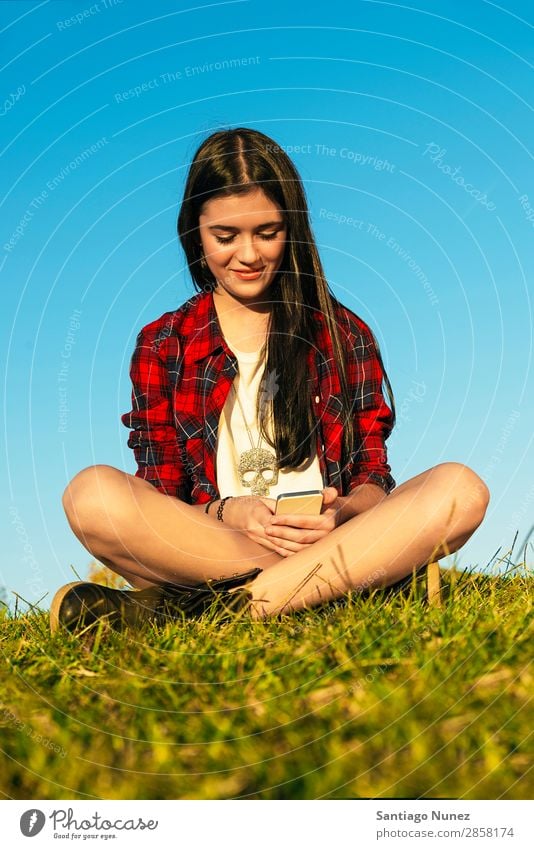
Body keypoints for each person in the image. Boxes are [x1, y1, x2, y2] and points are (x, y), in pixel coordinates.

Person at [52, 127, 490, 633]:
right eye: (225, 236)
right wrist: (227, 513)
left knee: (461, 488)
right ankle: (345, 588)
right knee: (91, 497)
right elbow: (161, 494)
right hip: (217, 548)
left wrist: (343, 512)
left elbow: (373, 477)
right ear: (195, 233)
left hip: (331, 541)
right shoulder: (162, 343)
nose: (248, 255)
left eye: (267, 232)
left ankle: (211, 610)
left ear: (293, 228)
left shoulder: (343, 333)